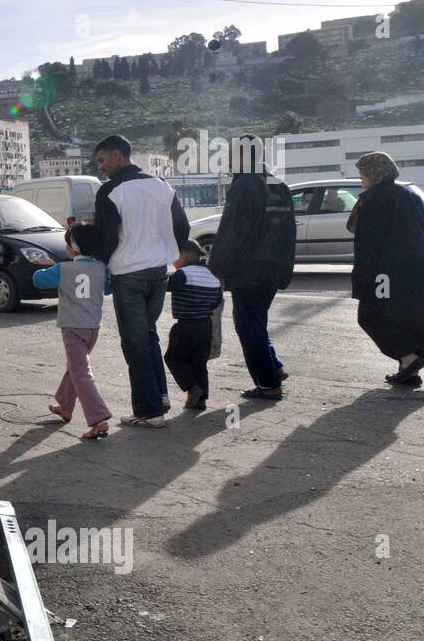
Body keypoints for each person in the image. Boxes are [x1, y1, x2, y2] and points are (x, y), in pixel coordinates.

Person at [88, 134, 190, 427]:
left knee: (134, 341)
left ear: (119, 156)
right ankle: (160, 397)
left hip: (129, 273)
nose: (102, 167)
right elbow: (181, 227)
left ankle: (149, 411)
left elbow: (106, 239)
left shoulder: (110, 191)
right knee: (148, 334)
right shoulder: (161, 186)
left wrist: (97, 259)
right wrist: (168, 251)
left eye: (103, 160)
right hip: (159, 272)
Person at [206, 135, 296, 400]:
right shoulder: (278, 184)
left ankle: (268, 384)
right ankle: (274, 367)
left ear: (246, 155)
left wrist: (217, 269)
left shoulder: (244, 185)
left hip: (250, 270)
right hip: (275, 267)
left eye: (232, 153)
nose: (229, 159)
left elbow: (232, 232)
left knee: (247, 325)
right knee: (256, 321)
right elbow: (288, 230)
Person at [348, 151, 424, 385]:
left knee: (371, 316)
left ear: (374, 174)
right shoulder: (410, 195)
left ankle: (410, 357)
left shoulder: (373, 199)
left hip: (386, 270)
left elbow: (368, 241)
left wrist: (363, 277)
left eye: (363, 174)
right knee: (406, 317)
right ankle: (410, 370)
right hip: (418, 266)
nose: (360, 179)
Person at [34, 224, 113, 439]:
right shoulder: (101, 267)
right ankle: (65, 404)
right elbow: (108, 288)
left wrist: (47, 265)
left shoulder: (64, 268)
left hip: (72, 327)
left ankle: (98, 418)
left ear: (73, 248)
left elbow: (38, 278)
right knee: (76, 367)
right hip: (93, 327)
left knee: (80, 372)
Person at [164, 240, 225, 410]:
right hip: (205, 325)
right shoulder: (212, 277)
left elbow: (166, 286)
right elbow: (216, 302)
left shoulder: (182, 274)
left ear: (182, 256)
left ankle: (192, 388)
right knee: (199, 363)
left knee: (173, 358)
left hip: (185, 326)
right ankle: (201, 400)